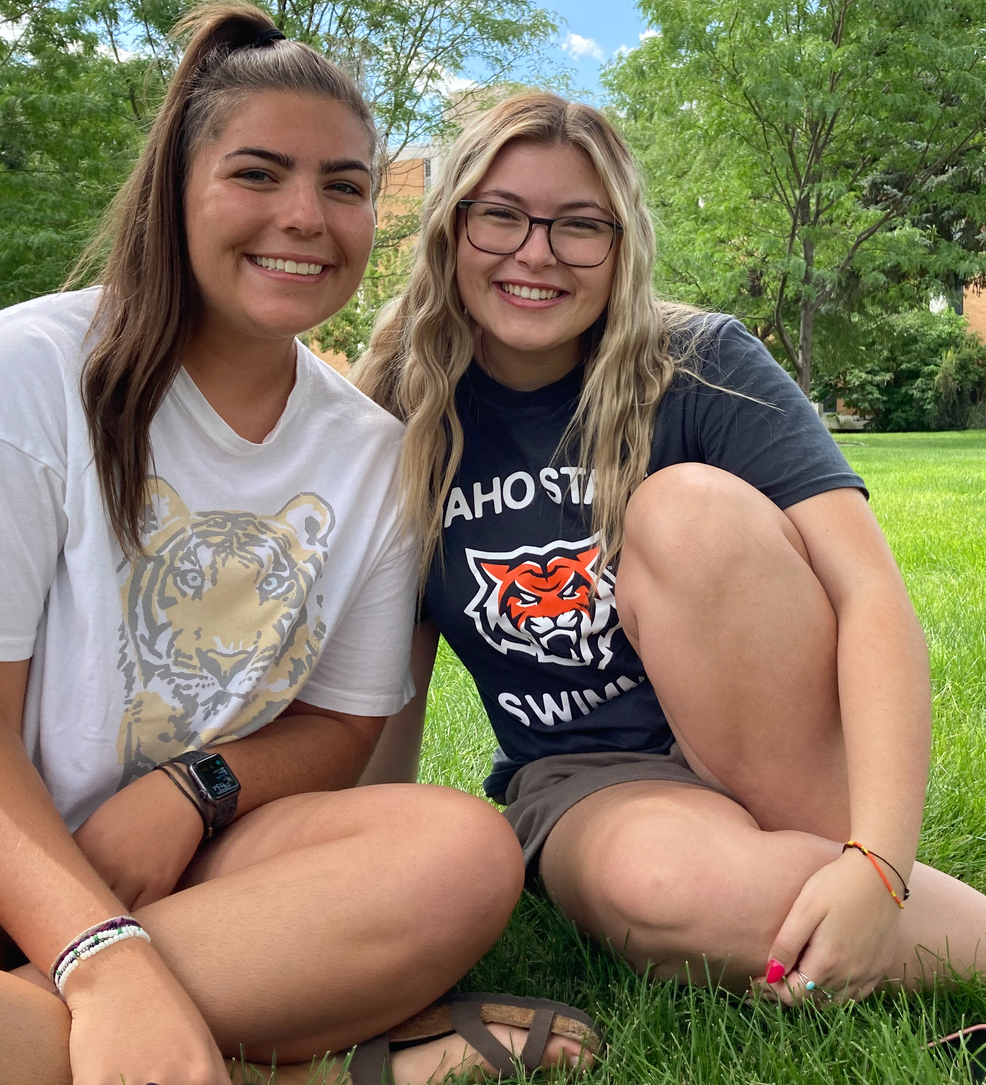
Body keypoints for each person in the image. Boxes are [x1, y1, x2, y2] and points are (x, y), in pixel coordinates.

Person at [0, 10, 601, 1085]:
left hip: (200, 862)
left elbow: (342, 723)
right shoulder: (11, 382)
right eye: (258, 174)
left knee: (457, 851)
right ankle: (266, 1059)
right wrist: (102, 959)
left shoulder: (373, 455)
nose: (306, 217)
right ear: (177, 190)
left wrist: (192, 788)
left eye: (346, 187)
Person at [355, 91, 986, 1006]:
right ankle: (831, 900)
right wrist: (370, 881)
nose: (537, 252)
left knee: (683, 509)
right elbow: (389, 676)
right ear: (451, 228)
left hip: (775, 740)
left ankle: (847, 882)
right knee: (661, 890)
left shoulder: (700, 361)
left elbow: (870, 594)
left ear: (624, 244)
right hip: (588, 778)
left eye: (580, 225)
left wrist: (881, 859)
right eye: (500, 216)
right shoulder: (401, 407)